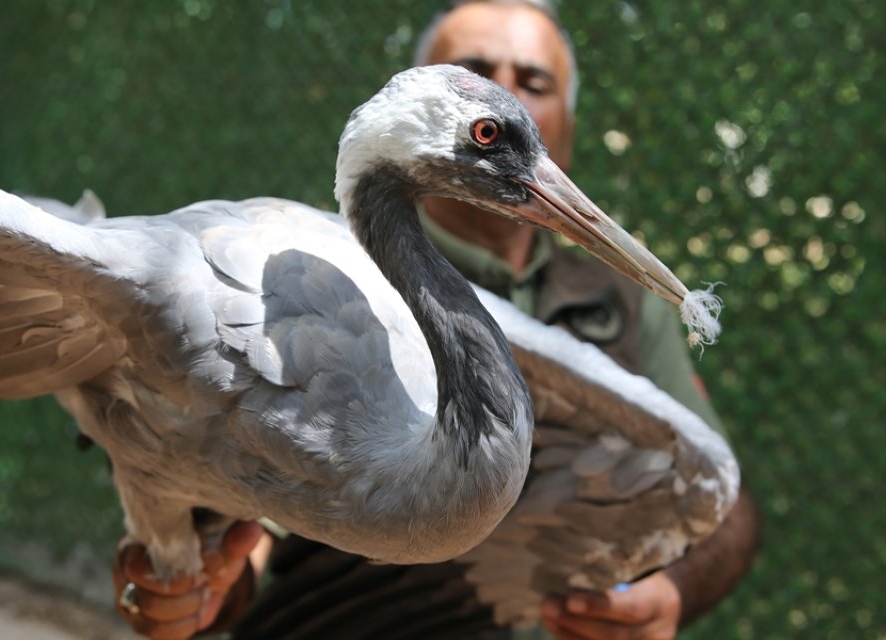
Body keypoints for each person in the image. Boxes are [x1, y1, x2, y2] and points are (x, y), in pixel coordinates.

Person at [112, 2, 760, 639]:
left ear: (562, 126)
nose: (503, 95)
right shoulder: (316, 279)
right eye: (474, 73)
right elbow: (254, 487)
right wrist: (207, 584)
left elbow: (719, 508)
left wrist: (666, 596)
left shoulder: (624, 304)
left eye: (534, 84)